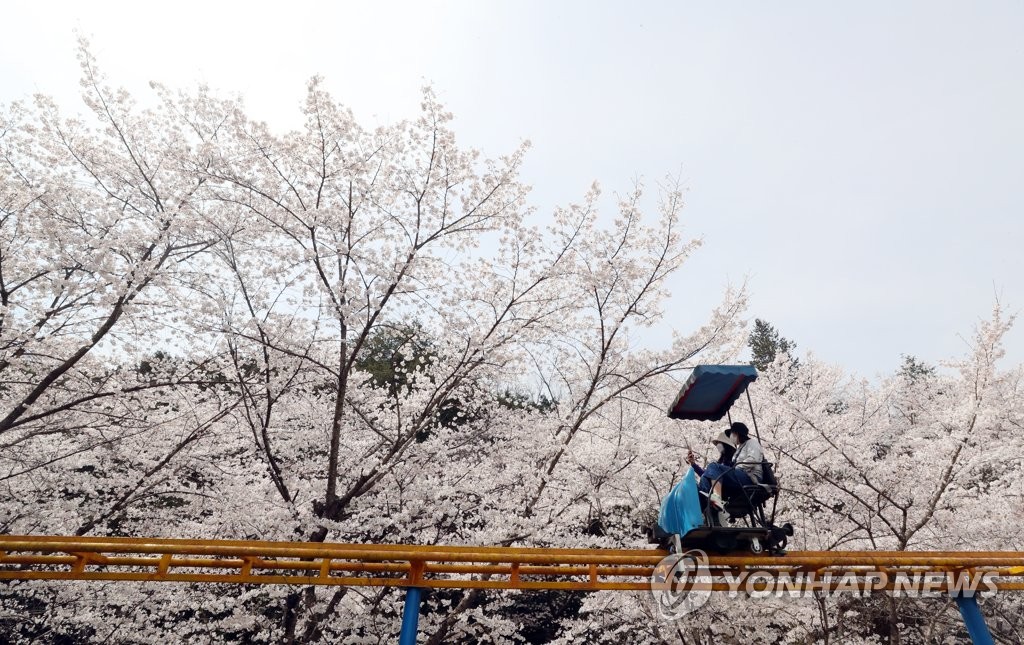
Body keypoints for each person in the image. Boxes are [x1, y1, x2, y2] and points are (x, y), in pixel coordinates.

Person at [694, 422, 762, 510]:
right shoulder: (740, 448)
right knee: (704, 478)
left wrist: (736, 468)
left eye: (731, 434)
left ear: (736, 433)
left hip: (749, 477)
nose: (731, 437)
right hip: (739, 475)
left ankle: (716, 498)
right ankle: (705, 509)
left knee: (713, 466)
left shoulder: (752, 443)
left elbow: (753, 460)